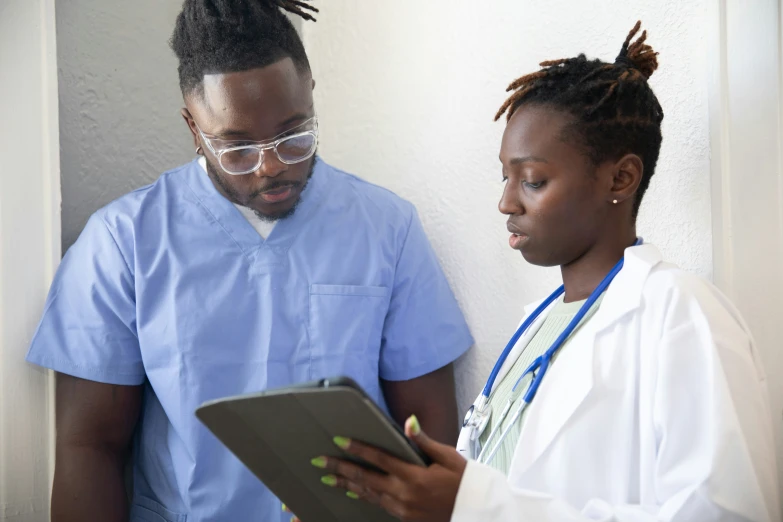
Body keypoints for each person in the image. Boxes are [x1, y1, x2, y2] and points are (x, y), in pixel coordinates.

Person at [300, 22, 782, 522]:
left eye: (532, 180)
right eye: (505, 177)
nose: (506, 202)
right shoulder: (539, 327)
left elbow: (729, 513)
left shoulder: (681, 313)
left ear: (621, 177)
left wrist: (478, 507)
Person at [25, 1, 473, 521]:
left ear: (310, 96)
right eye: (237, 149)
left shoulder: (387, 228)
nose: (270, 168)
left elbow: (434, 438)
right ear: (194, 128)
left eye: (293, 136)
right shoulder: (123, 242)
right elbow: (90, 447)